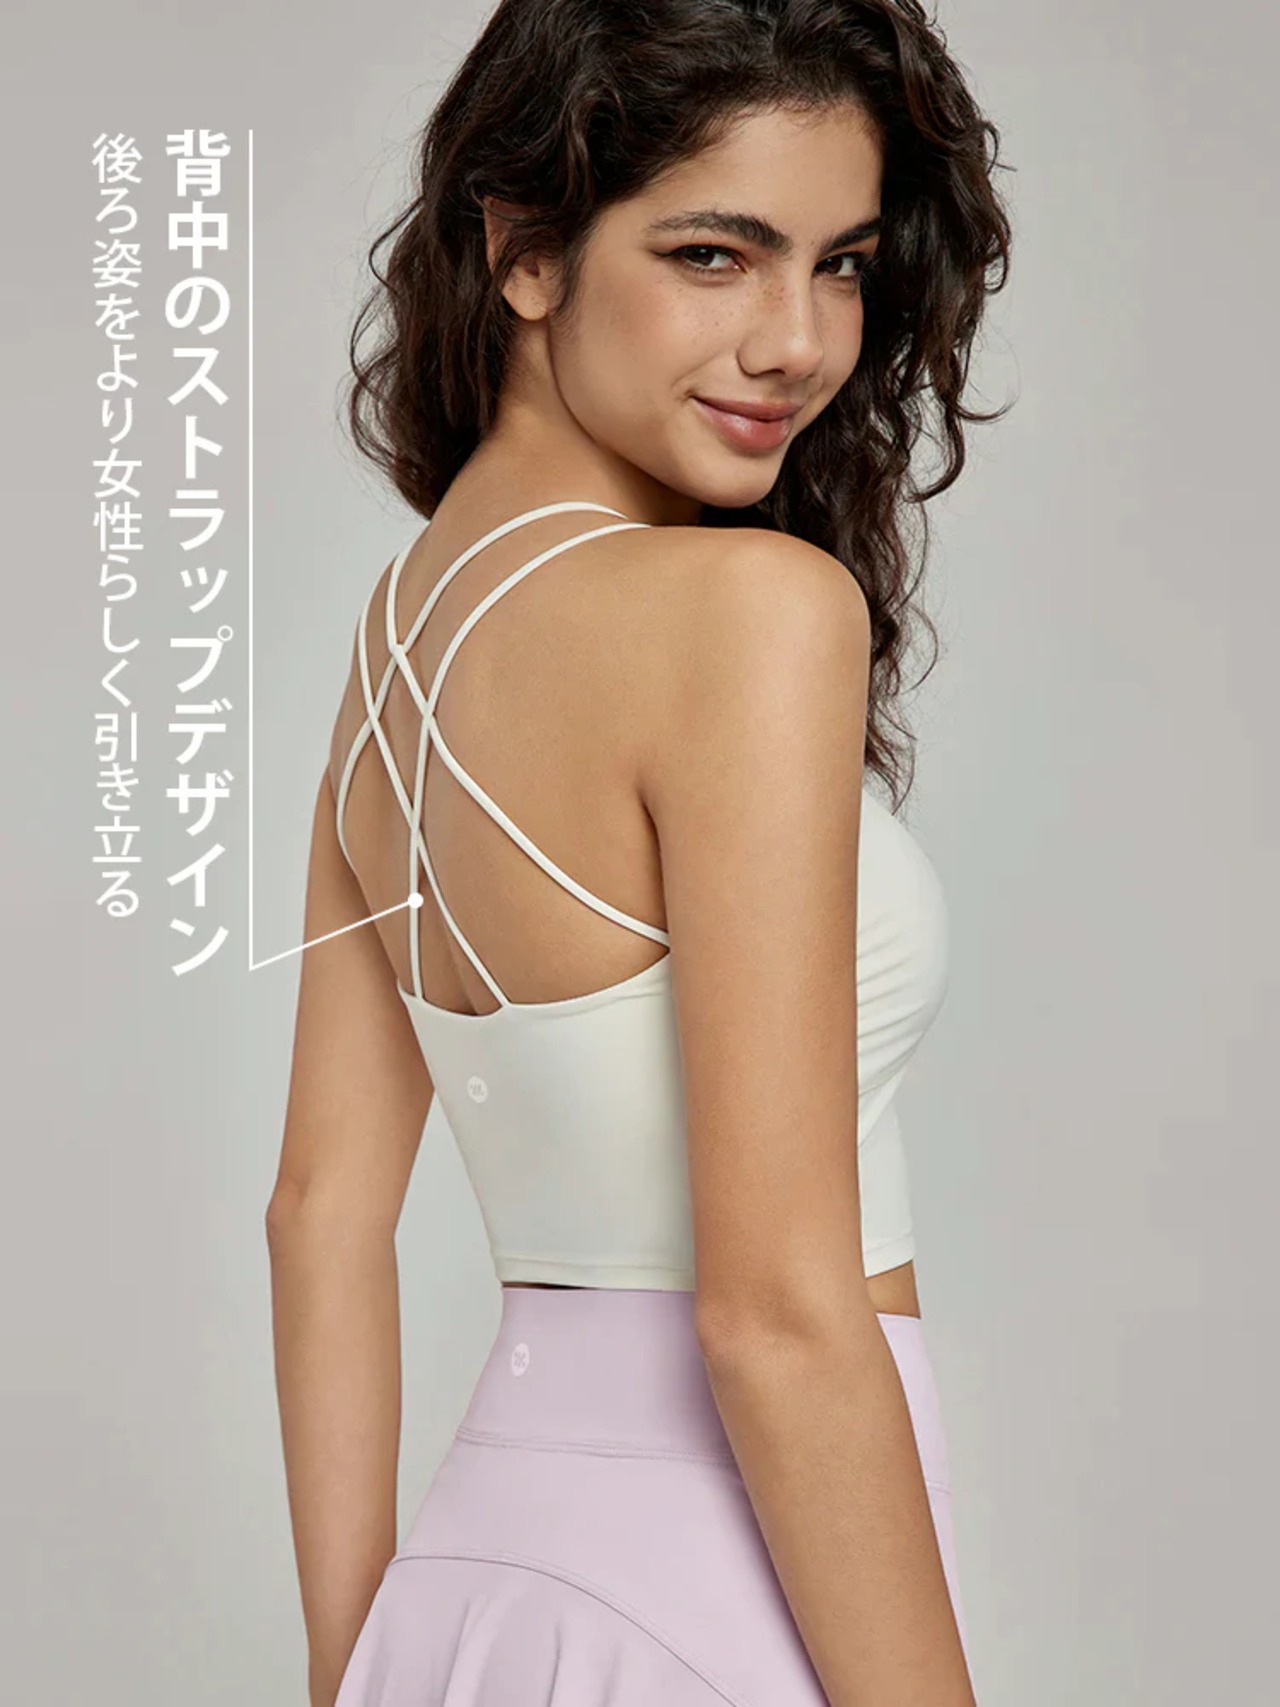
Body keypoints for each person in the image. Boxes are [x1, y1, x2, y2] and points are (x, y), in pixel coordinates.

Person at [266, 2, 1013, 1702]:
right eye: (713, 255)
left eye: (841, 265)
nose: (797, 342)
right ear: (524, 252)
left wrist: (354, 1671)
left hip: (470, 1597)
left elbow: (318, 1214)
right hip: (727, 1597)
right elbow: (773, 1318)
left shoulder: (398, 651)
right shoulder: (753, 613)